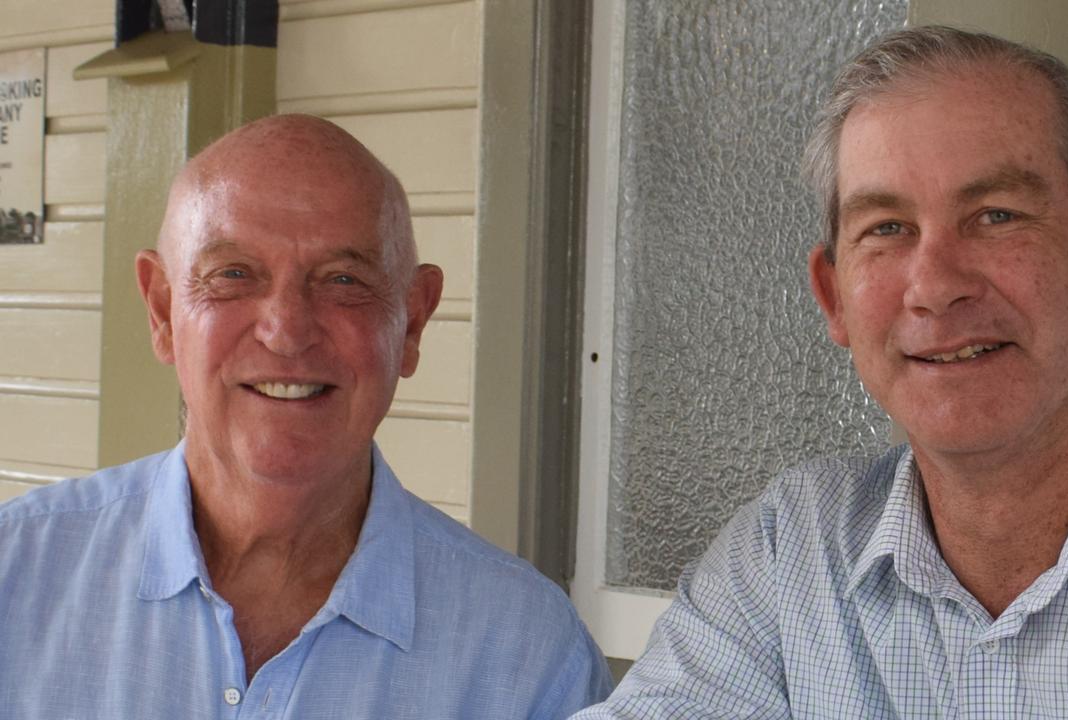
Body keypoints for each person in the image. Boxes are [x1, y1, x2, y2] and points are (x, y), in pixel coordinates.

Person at [577, 26, 1068, 718]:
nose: (935, 286)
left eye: (997, 215)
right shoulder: (790, 556)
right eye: (886, 228)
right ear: (833, 297)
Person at [0, 115, 612, 718]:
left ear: (413, 323)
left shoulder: (524, 655)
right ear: (162, 311)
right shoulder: (15, 578)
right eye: (234, 274)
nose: (288, 331)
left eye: (343, 280)